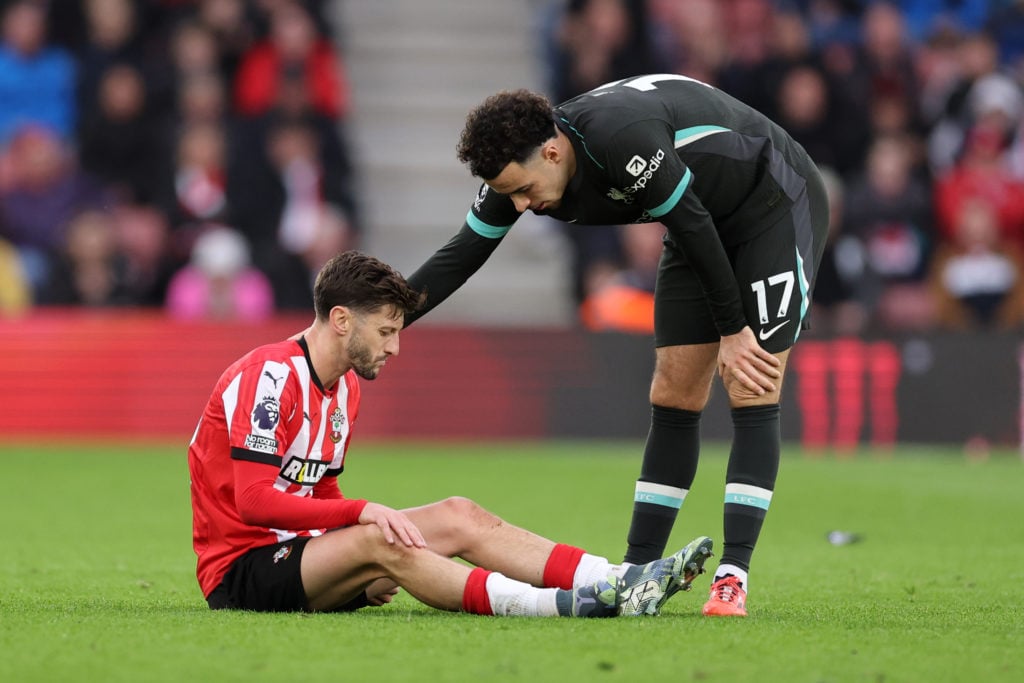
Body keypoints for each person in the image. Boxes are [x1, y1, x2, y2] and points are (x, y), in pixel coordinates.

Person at [403, 74, 830, 618]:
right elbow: (461, 254)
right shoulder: (522, 167)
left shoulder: (620, 138)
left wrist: (732, 330)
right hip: (696, 220)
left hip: (771, 202)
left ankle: (732, 576)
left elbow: (692, 222)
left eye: (523, 189)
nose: (521, 205)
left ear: (553, 152)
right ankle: (635, 574)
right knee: (673, 391)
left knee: (751, 380)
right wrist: (392, 319)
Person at [188, 250, 713, 616]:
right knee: (380, 535)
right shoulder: (270, 376)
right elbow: (255, 502)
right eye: (387, 332)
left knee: (457, 513)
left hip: (301, 560)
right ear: (342, 320)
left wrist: (348, 559)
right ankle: (558, 606)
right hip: (241, 573)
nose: (394, 349)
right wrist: (361, 523)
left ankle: (618, 580)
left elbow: (320, 488)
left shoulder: (344, 387)